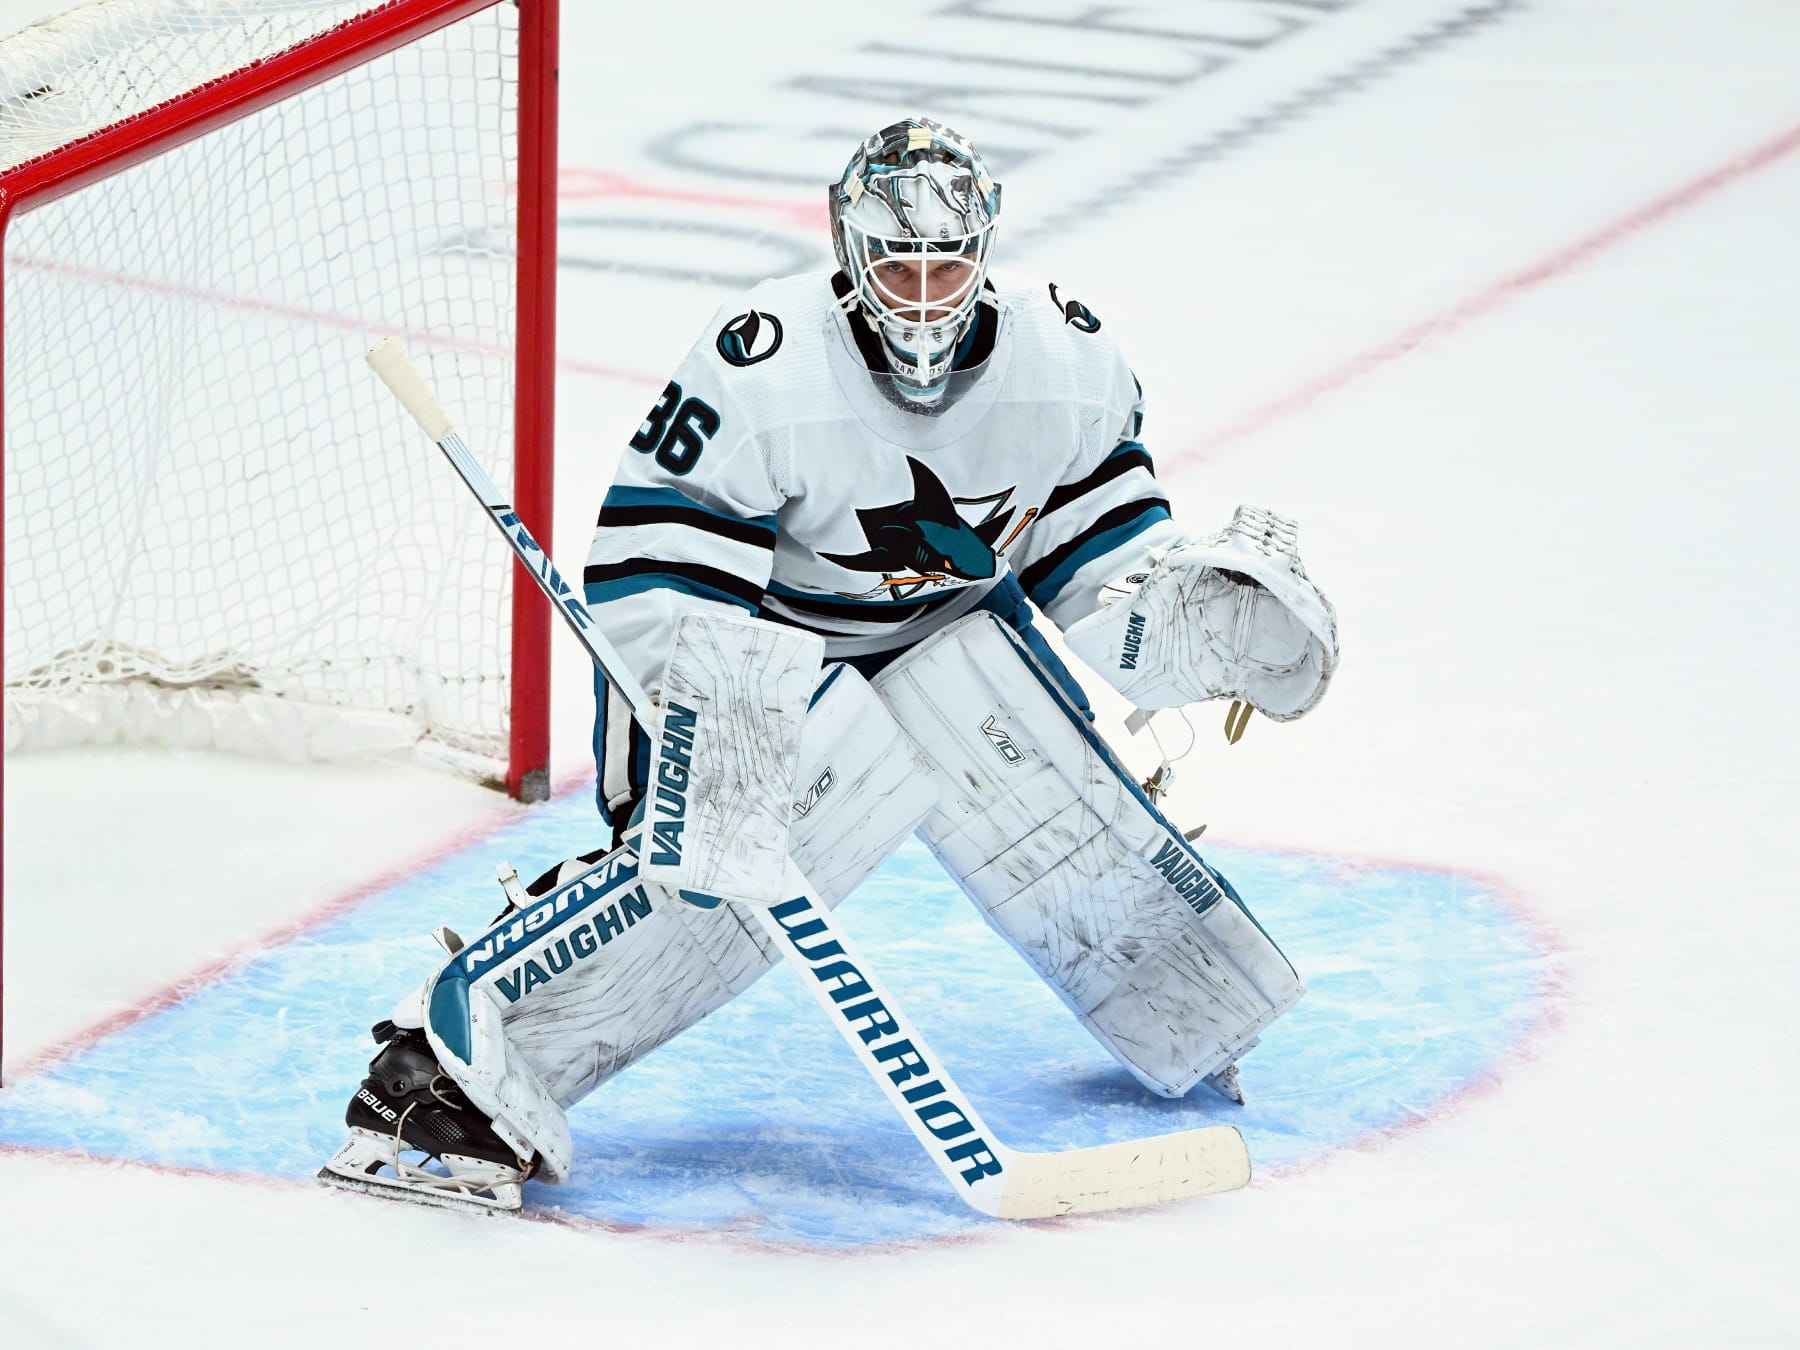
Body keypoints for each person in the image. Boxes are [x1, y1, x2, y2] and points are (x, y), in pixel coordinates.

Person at [321, 117, 1339, 1212]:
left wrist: (1183, 616)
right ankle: (450, 1072)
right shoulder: (761, 368)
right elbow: (655, 569)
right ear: (849, 251)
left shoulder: (1066, 364)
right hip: (750, 649)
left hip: (939, 633)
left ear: (986, 250)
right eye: (897, 261)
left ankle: (1188, 1005)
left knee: (1048, 786)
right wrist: (711, 741)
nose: (922, 289)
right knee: (726, 860)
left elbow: (1092, 555)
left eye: (946, 260)